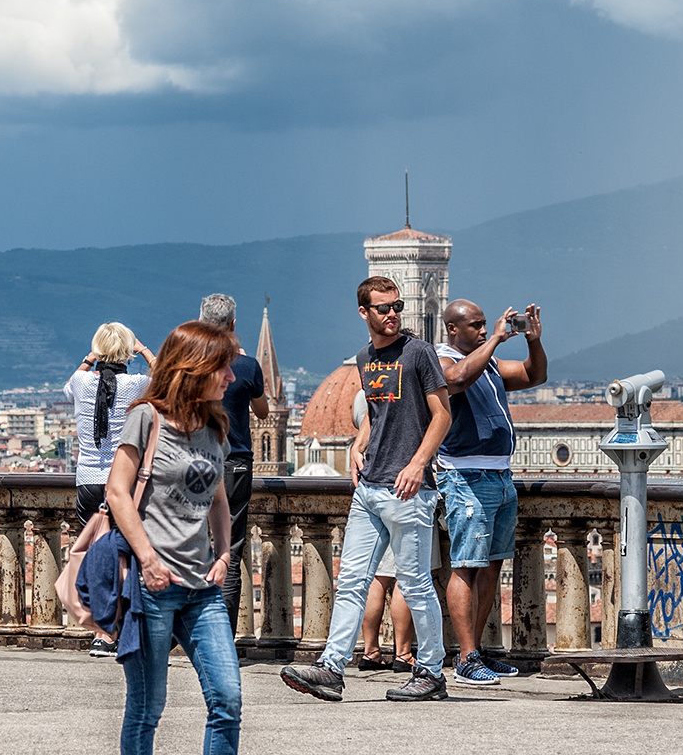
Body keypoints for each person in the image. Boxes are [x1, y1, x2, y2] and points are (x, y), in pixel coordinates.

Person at [107, 320, 271, 755]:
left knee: (227, 697)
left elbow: (220, 498)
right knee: (147, 708)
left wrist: (224, 553)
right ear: (193, 368)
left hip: (202, 586)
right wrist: (149, 559)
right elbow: (117, 492)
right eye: (222, 366)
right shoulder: (146, 419)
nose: (231, 376)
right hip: (152, 586)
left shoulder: (216, 426)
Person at [280, 276, 452, 703]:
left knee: (414, 583)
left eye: (397, 306)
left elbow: (442, 415)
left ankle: (431, 671)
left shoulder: (419, 353)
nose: (392, 314)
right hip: (370, 485)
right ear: (364, 313)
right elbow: (377, 412)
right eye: (383, 308)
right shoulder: (365, 359)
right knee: (352, 579)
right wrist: (359, 445)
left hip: (409, 488)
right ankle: (331, 668)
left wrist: (417, 464)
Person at [437, 299, 545, 685]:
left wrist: (533, 341)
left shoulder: (491, 366)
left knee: (491, 565)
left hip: (499, 475)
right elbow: (457, 380)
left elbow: (535, 376)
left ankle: (476, 651)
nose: (484, 330)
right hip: (465, 476)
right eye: (477, 325)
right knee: (466, 564)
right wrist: (497, 340)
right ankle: (465, 657)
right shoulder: (440, 360)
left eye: (487, 325)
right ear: (453, 328)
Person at [198, 294, 268, 633]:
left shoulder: (189, 364)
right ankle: (221, 637)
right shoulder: (247, 367)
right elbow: (264, 412)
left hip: (193, 459)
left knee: (191, 545)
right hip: (235, 461)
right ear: (234, 325)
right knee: (230, 550)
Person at [65, 322, 153, 525]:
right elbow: (169, 380)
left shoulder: (80, 381)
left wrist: (90, 357)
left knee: (92, 547)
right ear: (127, 351)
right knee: (125, 548)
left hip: (88, 479)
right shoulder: (137, 385)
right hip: (124, 480)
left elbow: (68, 389)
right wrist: (144, 350)